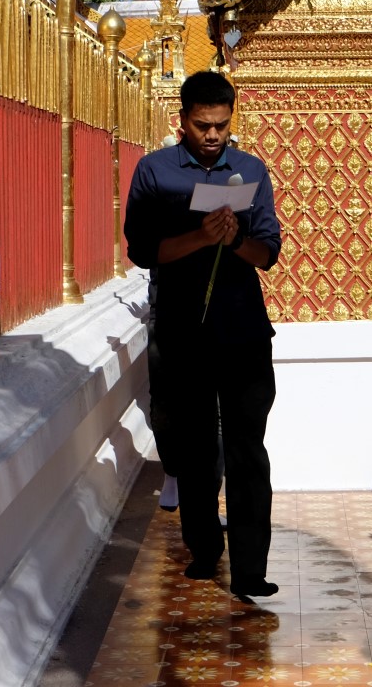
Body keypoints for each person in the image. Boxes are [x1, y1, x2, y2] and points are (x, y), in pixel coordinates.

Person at [124, 71, 282, 599]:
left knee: (247, 449)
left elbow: (267, 253)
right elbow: (143, 251)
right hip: (183, 333)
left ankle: (251, 568)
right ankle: (205, 548)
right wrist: (200, 236)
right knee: (195, 449)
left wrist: (234, 241)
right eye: (202, 125)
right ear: (183, 120)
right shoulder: (155, 171)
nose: (213, 135)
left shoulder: (250, 171)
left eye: (221, 125)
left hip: (243, 332)